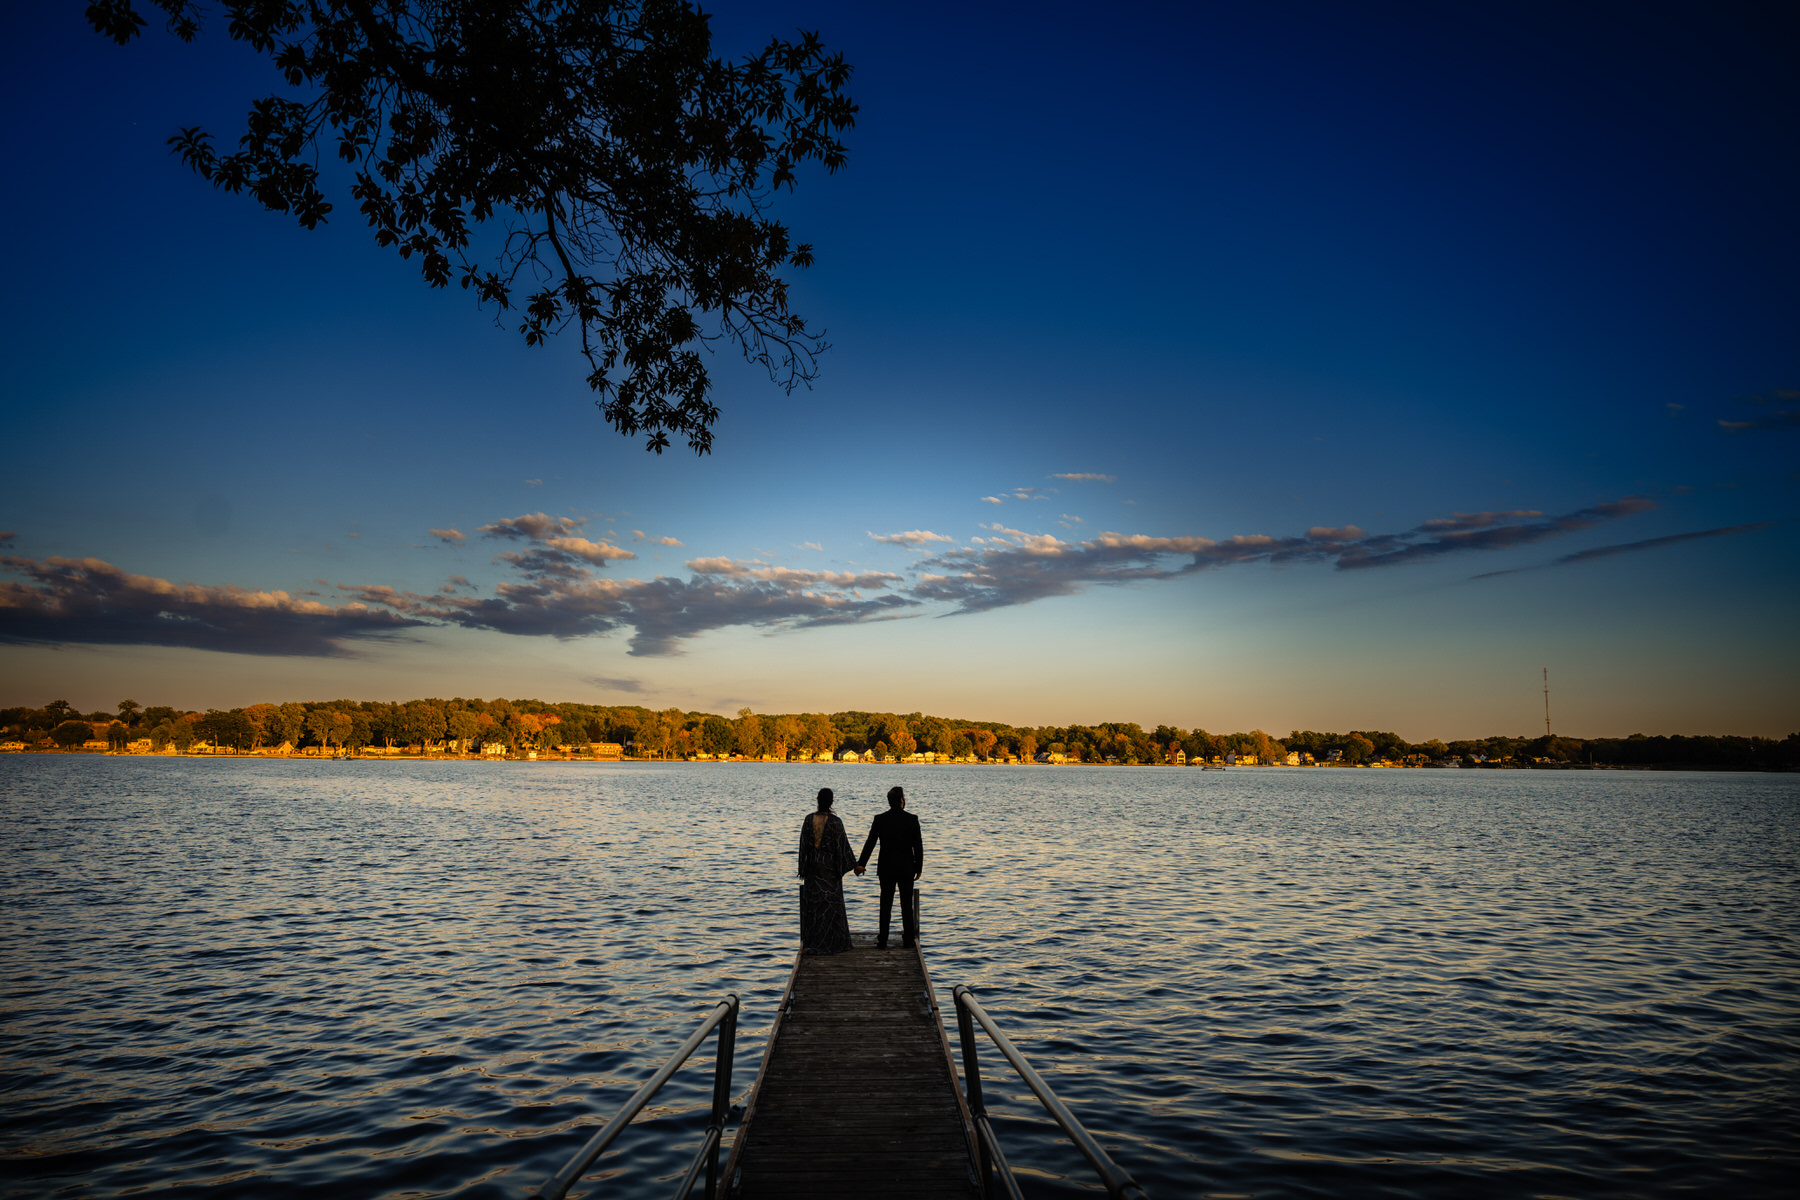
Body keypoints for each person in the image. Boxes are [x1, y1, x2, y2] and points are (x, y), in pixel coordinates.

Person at [855, 786, 923, 948]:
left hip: (886, 867)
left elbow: (870, 843)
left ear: (889, 801)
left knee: (885, 904)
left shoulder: (880, 819)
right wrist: (918, 867)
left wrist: (861, 864)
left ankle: (883, 939)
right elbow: (918, 847)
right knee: (906, 905)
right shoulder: (912, 819)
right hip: (907, 867)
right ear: (901, 800)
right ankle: (908, 940)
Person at [796, 787, 854, 955]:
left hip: (813, 868)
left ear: (817, 800)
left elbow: (802, 847)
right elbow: (843, 848)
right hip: (830, 870)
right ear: (831, 802)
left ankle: (813, 942)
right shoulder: (836, 822)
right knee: (832, 907)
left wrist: (802, 868)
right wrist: (853, 865)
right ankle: (835, 942)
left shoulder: (808, 820)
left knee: (814, 907)